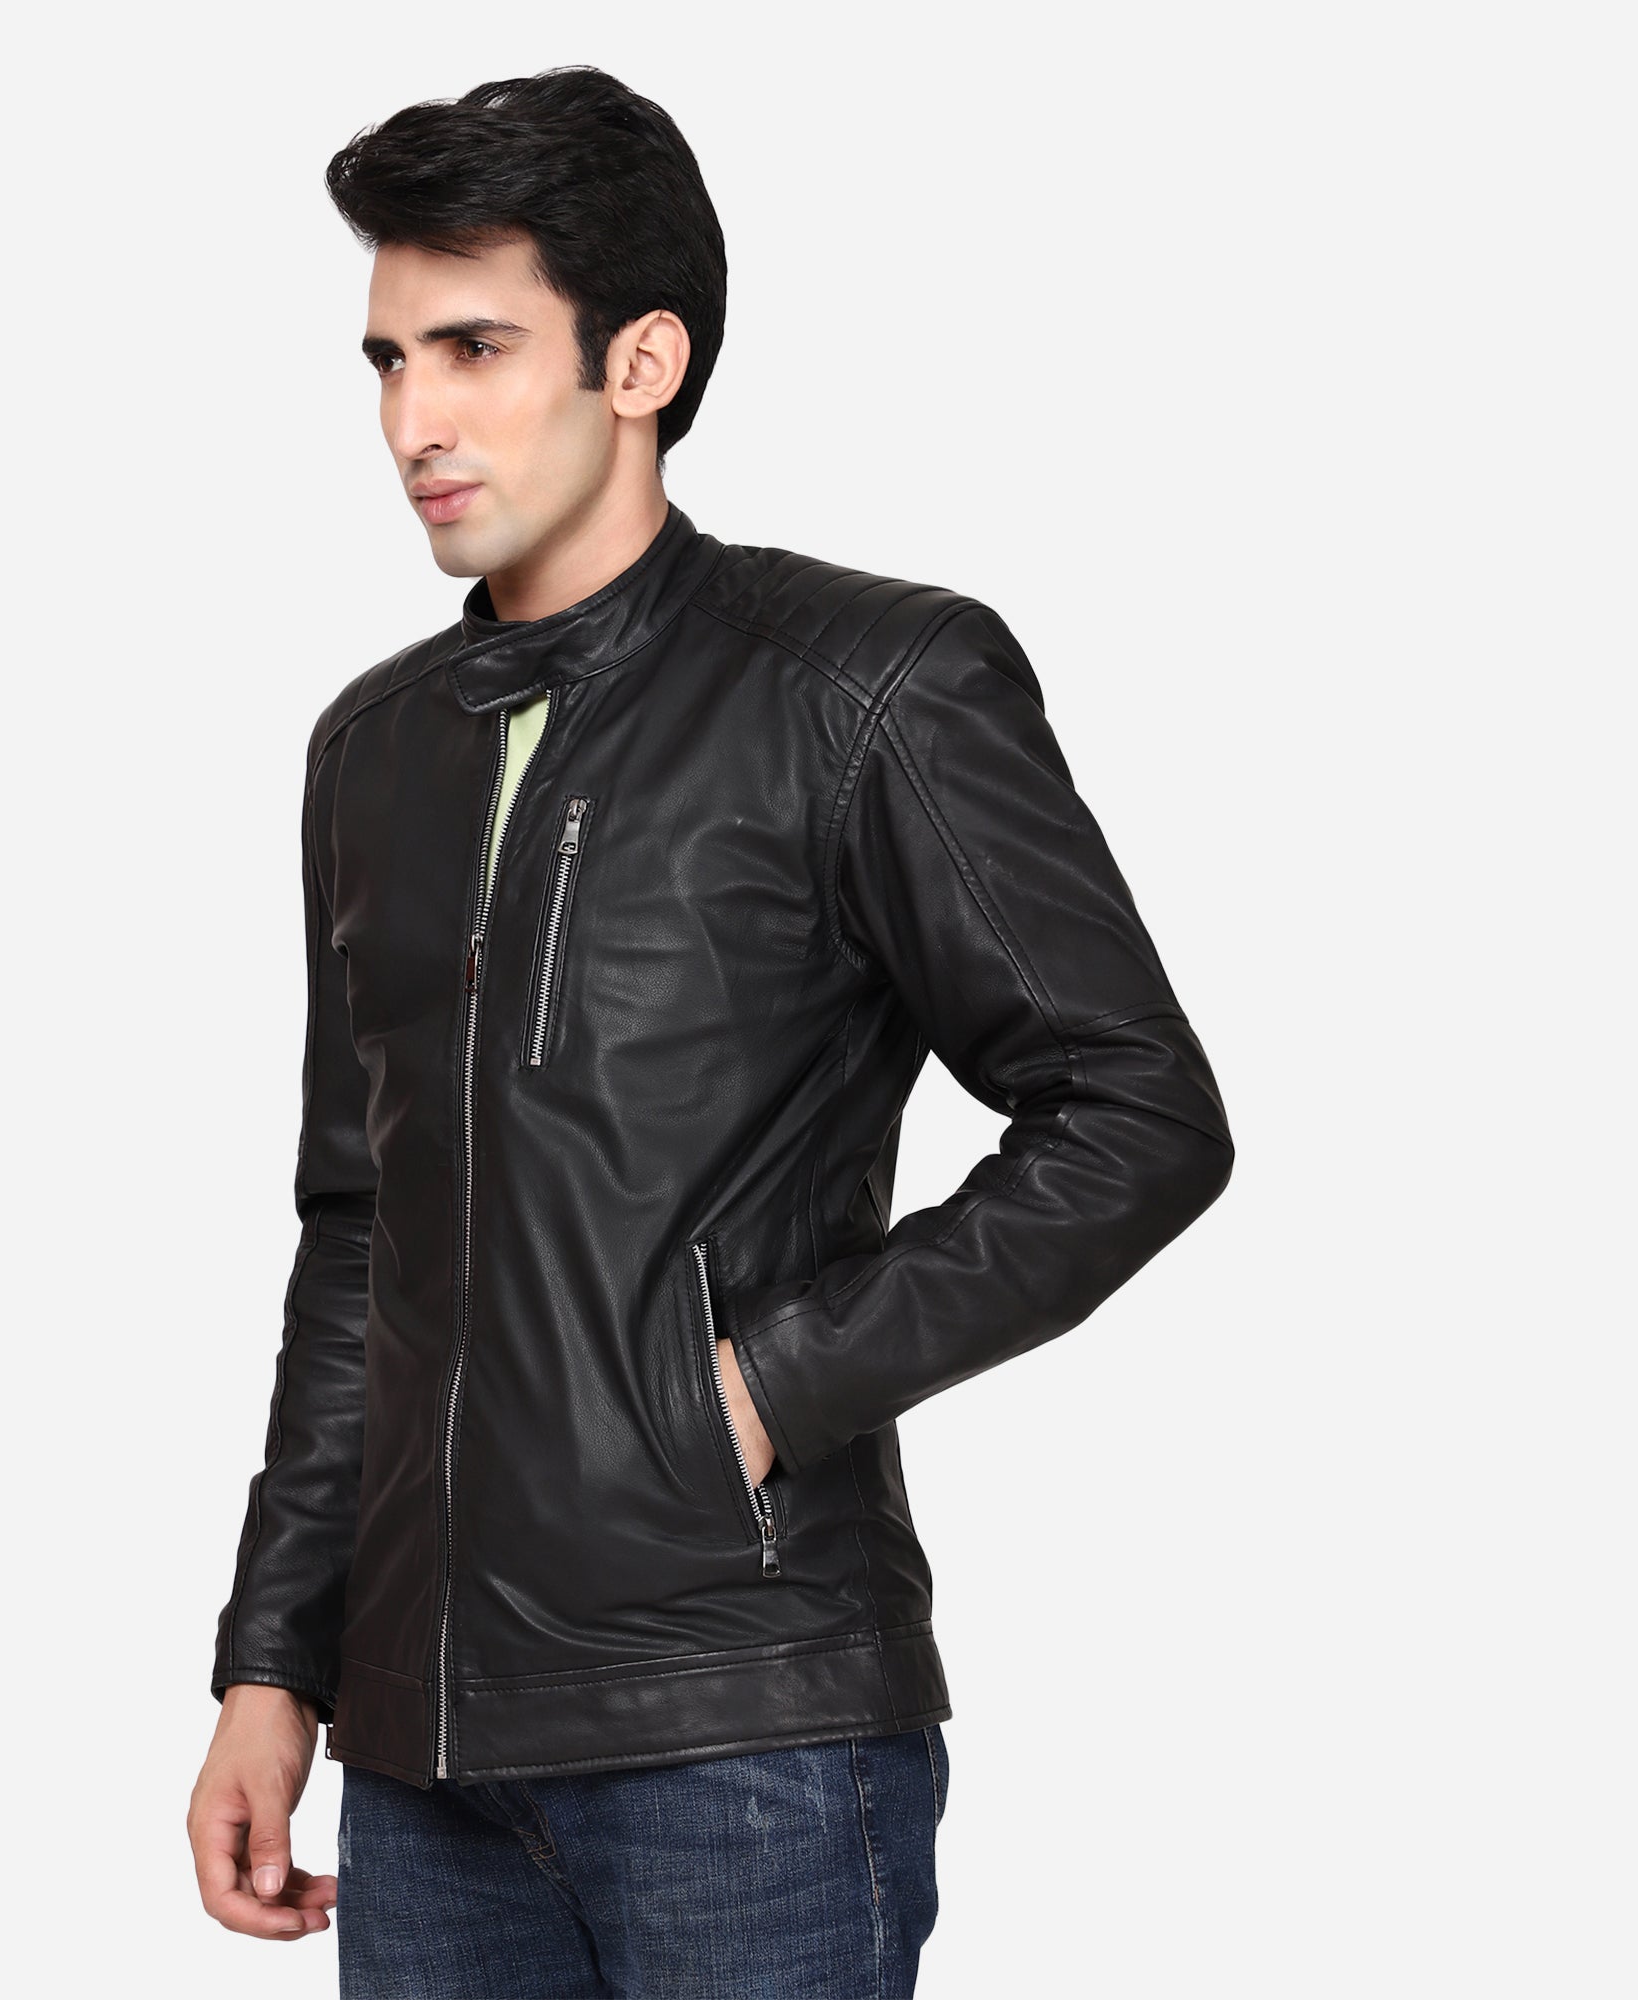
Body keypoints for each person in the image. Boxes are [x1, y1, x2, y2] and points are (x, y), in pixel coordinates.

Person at [186, 64, 1234, 1998]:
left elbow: (1135, 1113)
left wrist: (756, 1392)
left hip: (743, 1731)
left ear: (642, 361)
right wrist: (274, 1662)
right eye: (387, 360)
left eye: (475, 348)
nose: (413, 420)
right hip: (422, 1757)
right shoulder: (374, 751)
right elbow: (360, 1233)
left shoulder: (865, 686)